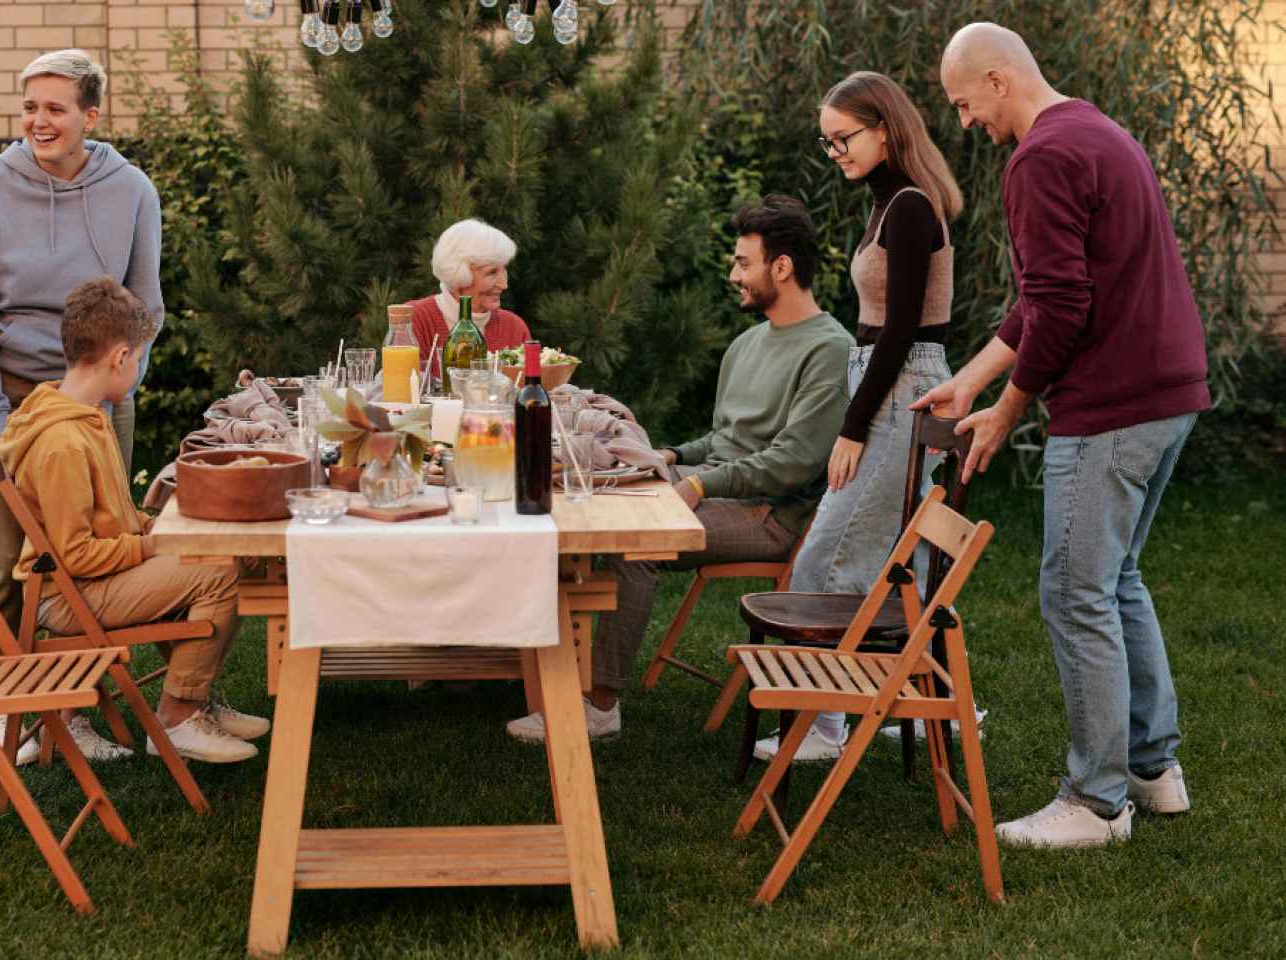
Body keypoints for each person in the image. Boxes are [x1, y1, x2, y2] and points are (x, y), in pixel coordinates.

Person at [920, 22, 1209, 848]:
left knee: (1075, 592)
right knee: (1115, 582)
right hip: (1167, 395)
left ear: (1000, 79)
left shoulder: (1040, 158)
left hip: (1113, 407)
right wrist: (971, 378)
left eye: (964, 101)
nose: (965, 121)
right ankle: (1154, 773)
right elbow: (1050, 294)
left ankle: (1095, 801)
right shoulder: (1098, 130)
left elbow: (1064, 306)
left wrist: (1008, 410)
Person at [507, 196, 852, 742]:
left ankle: (599, 706)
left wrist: (696, 484)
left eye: (743, 262)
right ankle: (526, 665)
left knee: (635, 543)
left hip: (769, 515)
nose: (733, 274)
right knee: (576, 498)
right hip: (719, 489)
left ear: (781, 267)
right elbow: (725, 439)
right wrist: (670, 457)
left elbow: (792, 462)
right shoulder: (747, 343)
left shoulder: (830, 350)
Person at [752, 71, 968, 763]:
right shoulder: (887, 204)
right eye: (828, 142)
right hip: (886, 380)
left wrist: (852, 426)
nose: (836, 151)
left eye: (843, 138)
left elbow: (903, 328)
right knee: (858, 552)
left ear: (884, 127)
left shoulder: (908, 206)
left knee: (826, 554)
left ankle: (826, 723)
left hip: (901, 389)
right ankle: (913, 703)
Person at [0, 49, 164, 723]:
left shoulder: (132, 191)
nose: (38, 122)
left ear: (90, 115)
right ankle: (7, 713)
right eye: (29, 107)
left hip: (93, 393)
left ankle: (71, 712)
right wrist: (1, 421)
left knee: (92, 555)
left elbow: (146, 309)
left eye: (55, 109)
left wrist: (114, 387)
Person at [0, 277, 268, 763]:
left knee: (234, 553)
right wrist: (151, 547)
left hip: (97, 576)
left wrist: (155, 525)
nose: (138, 369)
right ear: (119, 356)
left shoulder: (88, 416)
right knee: (218, 572)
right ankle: (178, 718)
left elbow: (110, 519)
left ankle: (197, 700)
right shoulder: (63, 443)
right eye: (139, 358)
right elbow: (74, 554)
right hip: (66, 596)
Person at [410, 218, 531, 380]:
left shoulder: (514, 328)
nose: (504, 284)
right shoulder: (414, 319)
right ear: (460, 274)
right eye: (492, 272)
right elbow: (398, 393)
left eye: (504, 270)